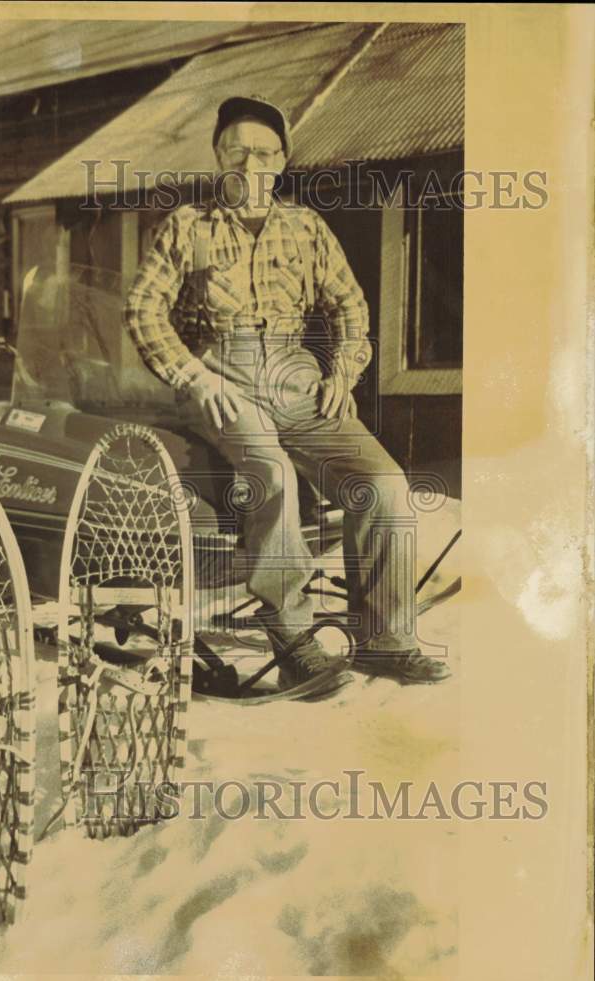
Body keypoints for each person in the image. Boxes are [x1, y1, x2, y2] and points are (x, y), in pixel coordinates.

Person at [124, 95, 451, 694]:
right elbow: (144, 309)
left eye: (265, 153)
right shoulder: (186, 225)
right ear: (219, 156)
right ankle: (292, 633)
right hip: (220, 375)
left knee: (385, 486)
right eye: (237, 152)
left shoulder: (306, 226)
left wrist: (343, 371)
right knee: (271, 472)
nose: (251, 165)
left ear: (283, 160)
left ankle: (384, 641)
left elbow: (350, 305)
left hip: (297, 377)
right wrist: (194, 376)